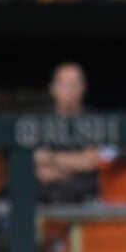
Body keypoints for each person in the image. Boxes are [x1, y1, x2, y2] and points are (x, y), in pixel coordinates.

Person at [34, 62, 102, 204]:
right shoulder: (40, 122)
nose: (69, 90)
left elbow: (90, 161)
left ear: (83, 87)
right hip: (46, 194)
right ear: (53, 88)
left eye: (74, 84)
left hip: (85, 195)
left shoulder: (95, 120)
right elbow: (38, 162)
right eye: (63, 84)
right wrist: (73, 162)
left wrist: (51, 158)